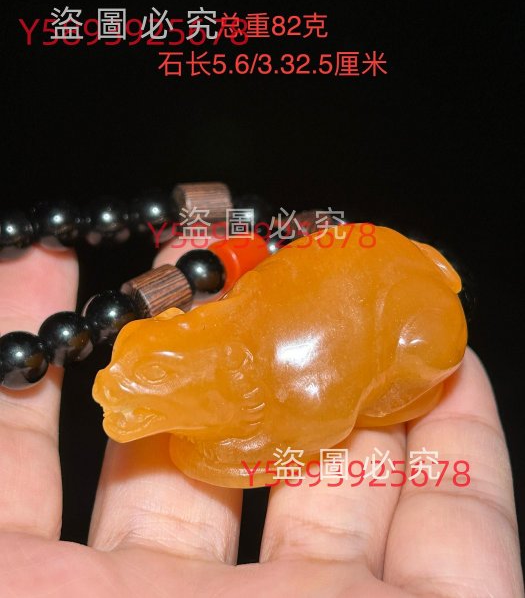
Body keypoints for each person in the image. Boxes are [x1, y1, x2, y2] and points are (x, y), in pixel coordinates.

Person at [0, 241, 522, 597]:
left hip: (401, 305)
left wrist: (223, 452)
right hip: (342, 270)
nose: (109, 390)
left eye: (155, 376)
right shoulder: (226, 337)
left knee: (422, 348)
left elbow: (327, 420)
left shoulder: (292, 391)